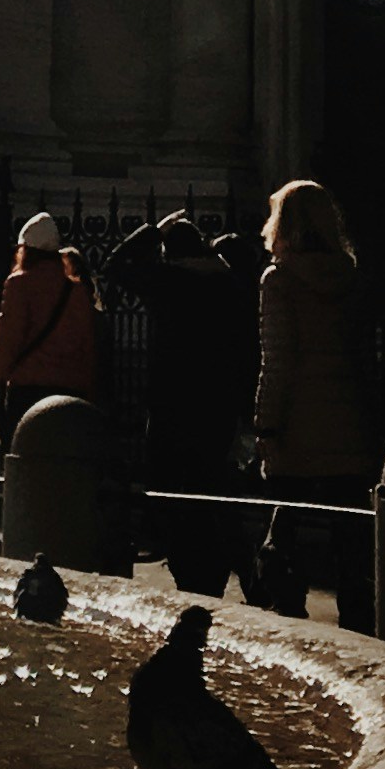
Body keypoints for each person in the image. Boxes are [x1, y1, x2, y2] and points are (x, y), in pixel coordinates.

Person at [102, 210, 250, 593]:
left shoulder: (167, 281)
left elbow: (115, 265)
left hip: (171, 408)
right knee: (208, 493)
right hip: (216, 409)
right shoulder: (228, 284)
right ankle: (214, 573)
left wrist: (153, 230)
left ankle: (190, 572)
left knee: (172, 497)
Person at [250, 180, 374, 632]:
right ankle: (360, 626)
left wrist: (266, 426)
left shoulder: (279, 280)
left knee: (285, 532)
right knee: (350, 538)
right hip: (347, 423)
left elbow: (277, 360)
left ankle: (289, 623)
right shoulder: (350, 276)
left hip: (298, 425)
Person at [0, 211, 100, 451]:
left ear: (26, 249)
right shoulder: (77, 291)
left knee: (26, 463)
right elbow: (87, 348)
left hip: (28, 392)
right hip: (69, 395)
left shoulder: (19, 284)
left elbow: (6, 342)